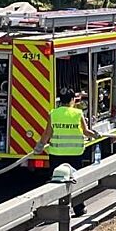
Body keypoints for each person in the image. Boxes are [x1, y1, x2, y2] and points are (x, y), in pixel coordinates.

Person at [35, 88, 101, 217]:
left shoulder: (53, 114)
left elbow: (47, 133)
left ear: (60, 100)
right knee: (74, 181)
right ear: (72, 100)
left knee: (55, 182)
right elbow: (86, 131)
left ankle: (55, 211)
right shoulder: (78, 113)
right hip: (74, 154)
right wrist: (96, 135)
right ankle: (79, 208)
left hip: (56, 153)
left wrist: (39, 146)